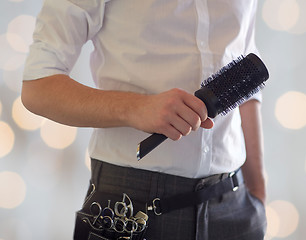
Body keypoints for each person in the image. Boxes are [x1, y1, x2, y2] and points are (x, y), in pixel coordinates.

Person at [21, 0, 267, 239]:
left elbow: (245, 66)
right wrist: (136, 108)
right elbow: (38, 87)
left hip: (235, 206)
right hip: (129, 205)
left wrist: (257, 193)